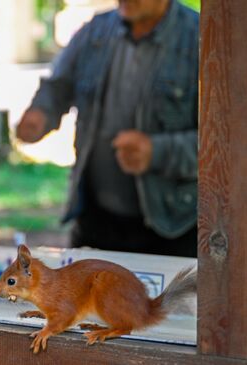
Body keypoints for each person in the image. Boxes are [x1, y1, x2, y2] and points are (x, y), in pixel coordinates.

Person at [17, 0, 198, 257]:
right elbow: (57, 87)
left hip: (172, 228)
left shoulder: (200, 40)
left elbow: (225, 148)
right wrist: (40, 114)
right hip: (94, 223)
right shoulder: (95, 32)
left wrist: (156, 151)